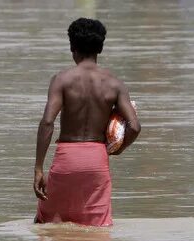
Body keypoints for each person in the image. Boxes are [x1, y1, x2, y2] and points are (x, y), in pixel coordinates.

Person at [34, 18, 141, 226]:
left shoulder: (62, 80)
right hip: (97, 159)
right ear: (100, 48)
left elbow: (47, 122)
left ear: (72, 46)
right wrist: (118, 149)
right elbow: (135, 127)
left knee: (47, 223)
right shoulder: (114, 83)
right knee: (97, 227)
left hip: (67, 157)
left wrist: (38, 168)